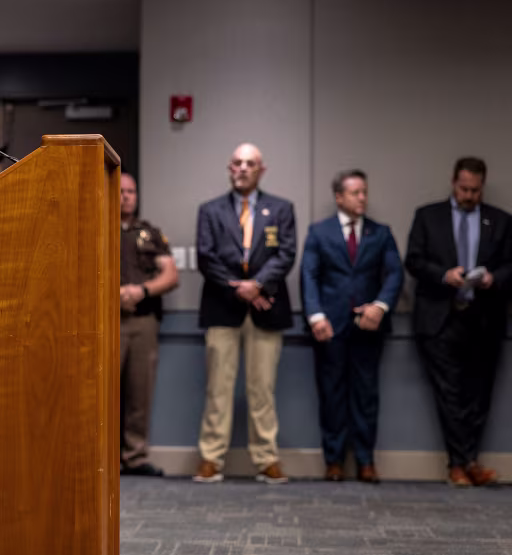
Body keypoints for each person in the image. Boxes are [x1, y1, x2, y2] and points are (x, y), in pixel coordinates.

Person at [405, 157, 512, 487]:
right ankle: (460, 463)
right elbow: (414, 260)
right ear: (454, 183)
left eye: (475, 190)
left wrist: (494, 278)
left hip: (484, 319)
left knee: (479, 394)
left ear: (483, 186)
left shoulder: (500, 221)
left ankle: (468, 461)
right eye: (464, 189)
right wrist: (444, 275)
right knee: (449, 394)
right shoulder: (428, 216)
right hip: (441, 318)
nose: (469, 196)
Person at [193, 143, 296, 485]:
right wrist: (238, 288)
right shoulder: (210, 210)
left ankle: (266, 459)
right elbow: (206, 257)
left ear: (261, 170)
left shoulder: (281, 209)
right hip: (222, 308)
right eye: (237, 162)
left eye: (250, 163)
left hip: (267, 309)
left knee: (262, 389)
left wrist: (258, 285)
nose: (243, 168)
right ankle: (211, 458)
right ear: (229, 167)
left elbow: (286, 254)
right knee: (218, 389)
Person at [301, 169, 402, 484]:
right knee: (331, 394)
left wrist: (380, 306)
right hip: (329, 327)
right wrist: (316, 316)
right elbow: (309, 276)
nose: (362, 198)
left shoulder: (380, 233)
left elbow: (395, 274)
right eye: (356, 193)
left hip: (368, 326)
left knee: (366, 395)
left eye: (364, 192)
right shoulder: (319, 232)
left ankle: (365, 461)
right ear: (339, 197)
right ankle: (334, 461)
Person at [119, 173, 179, 477]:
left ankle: (135, 456)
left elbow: (171, 275)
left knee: (139, 391)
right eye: (120, 191)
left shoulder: (149, 233)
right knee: (101, 393)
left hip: (143, 321)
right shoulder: (93, 226)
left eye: (131, 191)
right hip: (104, 321)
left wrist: (141, 291)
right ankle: (100, 458)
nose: (126, 196)